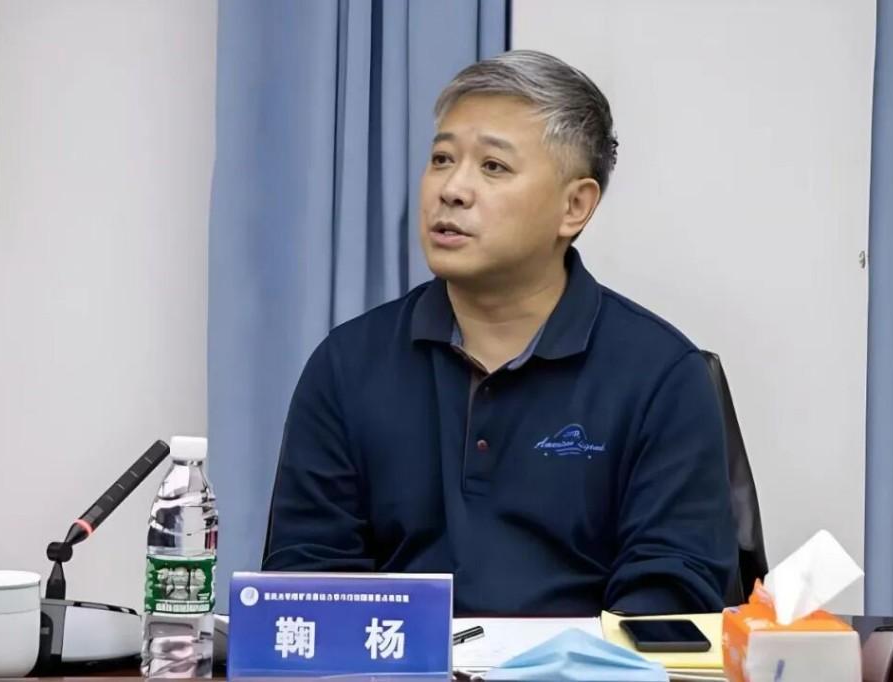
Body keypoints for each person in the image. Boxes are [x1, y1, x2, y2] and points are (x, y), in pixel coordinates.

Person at [263, 50, 737, 616]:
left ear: (575, 206)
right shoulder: (347, 365)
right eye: (442, 159)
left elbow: (670, 597)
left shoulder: (661, 376)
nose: (452, 189)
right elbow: (308, 580)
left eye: (493, 167)